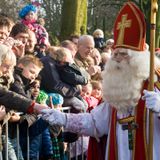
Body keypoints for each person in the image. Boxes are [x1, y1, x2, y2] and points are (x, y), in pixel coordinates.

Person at [40, 2, 160, 160]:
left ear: (137, 59)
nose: (116, 59)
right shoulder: (117, 90)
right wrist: (64, 118)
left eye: (122, 54)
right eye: (115, 54)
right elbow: (96, 123)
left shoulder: (155, 85)